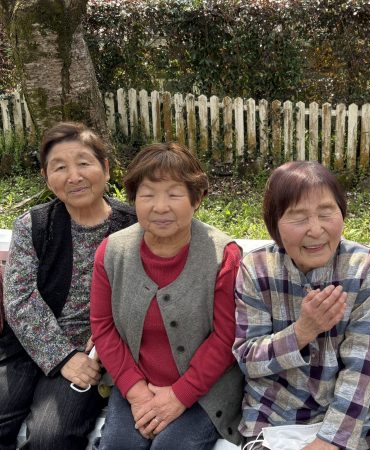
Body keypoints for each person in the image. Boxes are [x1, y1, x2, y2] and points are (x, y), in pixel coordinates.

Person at [90, 142, 243, 449]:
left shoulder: (223, 255)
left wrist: (178, 396)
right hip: (135, 383)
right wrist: (137, 392)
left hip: (205, 389)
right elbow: (103, 327)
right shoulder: (112, 252)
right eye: (148, 195)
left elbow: (227, 336)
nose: (160, 207)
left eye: (174, 194)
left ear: (197, 198)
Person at [0, 122, 137, 450]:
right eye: (59, 167)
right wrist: (61, 357)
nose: (74, 176)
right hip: (26, 348)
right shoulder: (34, 225)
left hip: (91, 356)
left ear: (105, 168)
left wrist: (100, 345)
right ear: (47, 177)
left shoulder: (133, 226)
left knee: (51, 437)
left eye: (84, 163)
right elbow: (19, 298)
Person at [233, 161, 370, 450]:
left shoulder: (364, 268)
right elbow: (248, 359)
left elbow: (361, 368)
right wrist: (303, 331)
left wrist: (328, 442)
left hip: (341, 419)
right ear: (274, 224)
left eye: (326, 213)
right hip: (272, 416)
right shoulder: (256, 268)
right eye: (299, 217)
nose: (316, 230)